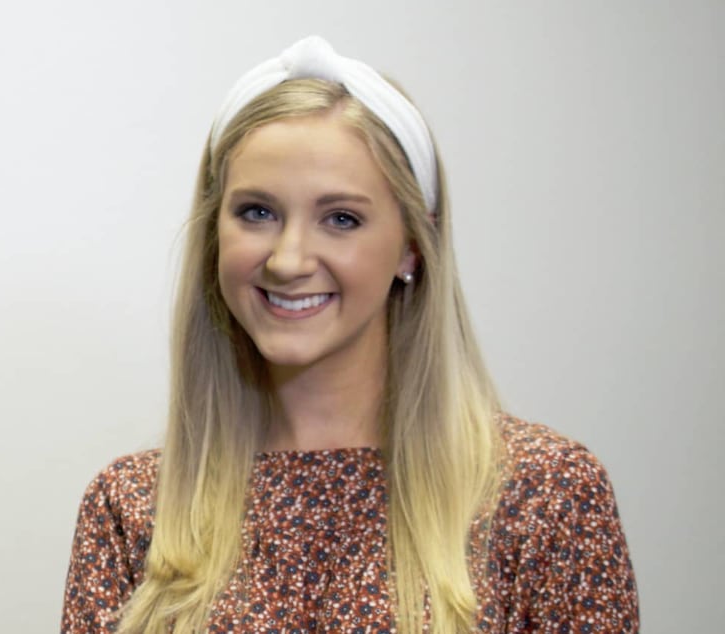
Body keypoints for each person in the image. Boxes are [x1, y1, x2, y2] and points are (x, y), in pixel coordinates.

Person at [60, 36, 639, 633]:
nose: (288, 259)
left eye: (341, 219)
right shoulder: (131, 506)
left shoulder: (544, 494)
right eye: (257, 212)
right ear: (215, 232)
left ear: (413, 245)